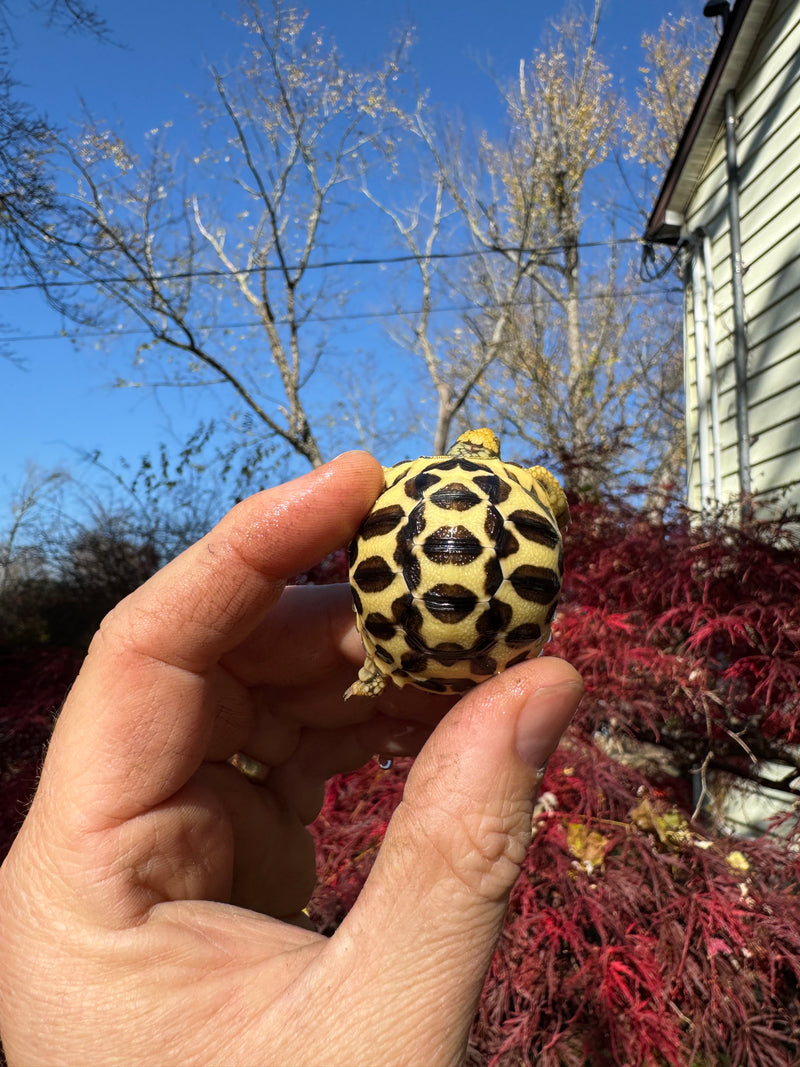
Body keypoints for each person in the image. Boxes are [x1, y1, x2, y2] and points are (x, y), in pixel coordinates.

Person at [0, 451, 582, 1067]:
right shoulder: (527, 487)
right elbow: (553, 505)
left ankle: (380, 666)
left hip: (396, 650)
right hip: (497, 652)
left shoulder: (404, 479)